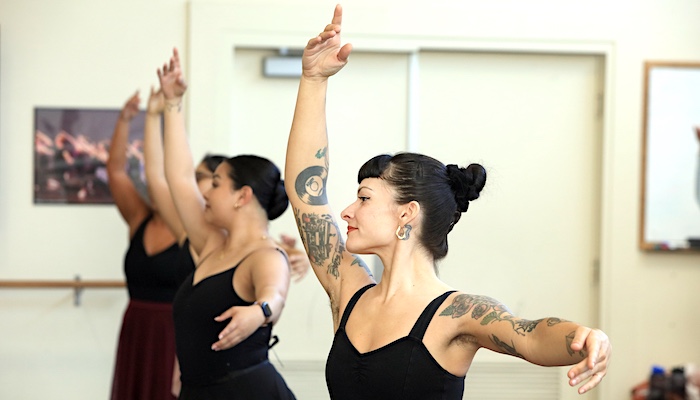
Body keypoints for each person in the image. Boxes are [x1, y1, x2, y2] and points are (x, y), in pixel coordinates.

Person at [284, 5, 613, 399]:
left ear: (407, 213)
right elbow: (306, 193)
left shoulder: (458, 314)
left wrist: (584, 336)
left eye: (364, 198)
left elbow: (528, 335)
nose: (346, 211)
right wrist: (313, 79)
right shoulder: (348, 288)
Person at [142, 86, 311, 396]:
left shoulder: (268, 256)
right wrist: (173, 103)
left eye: (216, 184)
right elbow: (178, 177)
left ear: (242, 196)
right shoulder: (210, 242)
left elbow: (274, 295)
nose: (205, 192)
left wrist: (259, 311)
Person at [107, 92, 181, 400]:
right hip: (136, 325)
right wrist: (125, 120)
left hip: (174, 333)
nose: (153, 186)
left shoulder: (191, 229)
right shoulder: (139, 218)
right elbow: (115, 171)